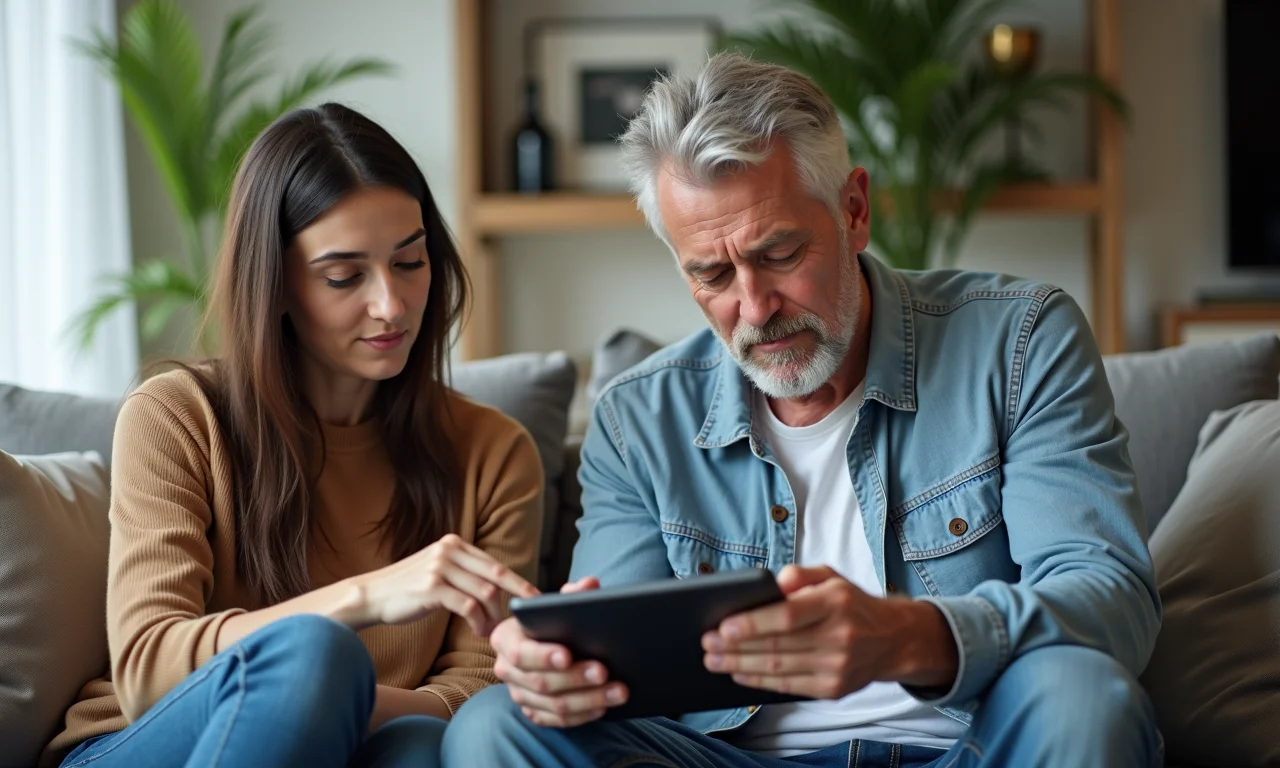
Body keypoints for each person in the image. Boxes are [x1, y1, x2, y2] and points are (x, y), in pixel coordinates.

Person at [443, 52, 1163, 768]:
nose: (754, 308)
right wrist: (554, 673)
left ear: (855, 210)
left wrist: (912, 636)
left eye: (781, 253)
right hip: (730, 758)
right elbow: (614, 665)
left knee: (1081, 691)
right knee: (496, 726)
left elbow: (1110, 603)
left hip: (972, 749)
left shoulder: (1019, 342)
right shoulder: (639, 419)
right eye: (713, 274)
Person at [41, 103, 544, 768]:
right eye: (344, 276)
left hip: (356, 742)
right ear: (275, 284)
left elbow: (479, 690)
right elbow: (146, 669)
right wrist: (367, 599)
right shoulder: (177, 417)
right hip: (145, 745)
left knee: (423, 746)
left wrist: (325, 699)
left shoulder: (494, 453)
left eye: (410, 261)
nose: (391, 305)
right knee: (315, 651)